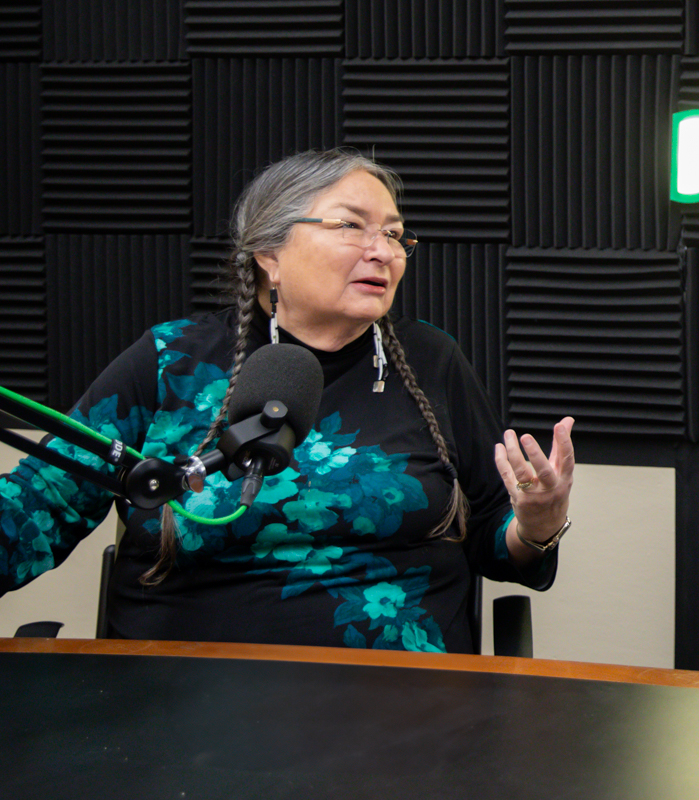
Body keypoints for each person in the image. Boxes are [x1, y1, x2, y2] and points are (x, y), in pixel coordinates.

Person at [0, 149, 576, 653]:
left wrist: (535, 527)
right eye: (353, 227)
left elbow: (493, 543)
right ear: (269, 255)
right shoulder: (169, 360)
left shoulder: (433, 361)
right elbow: (39, 506)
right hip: (178, 701)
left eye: (397, 234)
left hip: (401, 702)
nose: (384, 252)